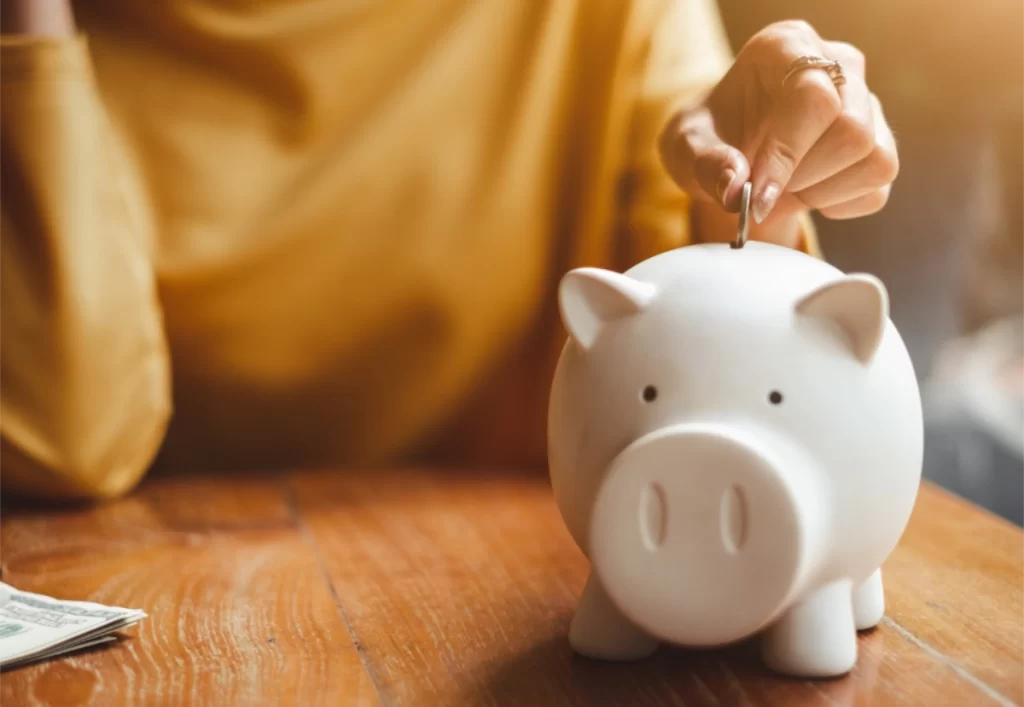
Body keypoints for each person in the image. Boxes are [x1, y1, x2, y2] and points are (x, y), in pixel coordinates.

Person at [0, 1, 898, 500]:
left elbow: (721, 359)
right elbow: (65, 436)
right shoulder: (60, 41)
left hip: (522, 595)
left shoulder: (600, 17)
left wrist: (761, 202)